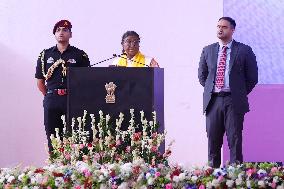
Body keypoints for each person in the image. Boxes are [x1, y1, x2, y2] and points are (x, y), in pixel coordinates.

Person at [198, 17, 258, 168]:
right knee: (213, 141)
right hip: (213, 101)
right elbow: (202, 76)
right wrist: (213, 90)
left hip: (233, 100)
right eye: (218, 26)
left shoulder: (244, 50)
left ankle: (235, 176)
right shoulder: (208, 50)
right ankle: (212, 176)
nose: (220, 29)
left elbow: (252, 78)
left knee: (235, 140)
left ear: (232, 30)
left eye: (224, 27)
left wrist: (238, 92)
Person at [35, 20, 90, 151]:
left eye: (65, 30)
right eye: (58, 30)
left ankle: (76, 165)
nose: (61, 32)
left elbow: (87, 80)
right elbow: (40, 82)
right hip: (52, 99)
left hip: (73, 100)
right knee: (53, 136)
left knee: (76, 135)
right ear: (54, 34)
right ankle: (55, 167)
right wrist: (51, 94)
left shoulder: (79, 55)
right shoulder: (45, 55)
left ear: (70, 34)